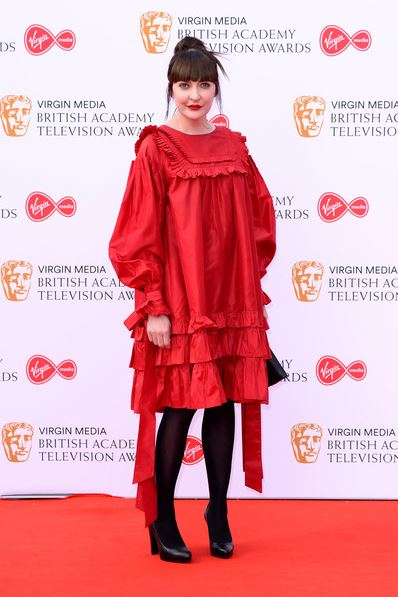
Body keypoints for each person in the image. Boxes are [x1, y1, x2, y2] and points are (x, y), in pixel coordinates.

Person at [109, 36, 277, 563]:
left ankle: (219, 509)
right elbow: (138, 231)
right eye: (185, 84)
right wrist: (153, 303)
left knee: (223, 403)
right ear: (171, 88)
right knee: (180, 408)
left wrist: (247, 287)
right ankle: (162, 519)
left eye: (204, 84)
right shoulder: (156, 148)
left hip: (229, 297)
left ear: (216, 88)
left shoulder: (236, 148)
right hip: (180, 302)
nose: (195, 94)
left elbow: (259, 221)